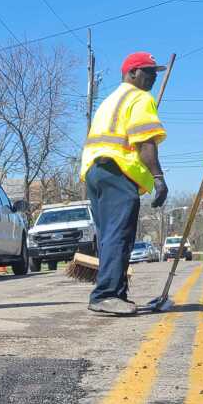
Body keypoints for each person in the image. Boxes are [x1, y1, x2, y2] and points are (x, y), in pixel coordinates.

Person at [80, 51, 169, 316]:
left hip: (96, 172)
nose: (153, 77)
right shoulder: (140, 98)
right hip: (118, 172)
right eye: (148, 71)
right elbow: (145, 142)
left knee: (109, 236)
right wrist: (158, 178)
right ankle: (105, 294)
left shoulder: (110, 100)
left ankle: (115, 293)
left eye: (155, 72)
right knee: (119, 234)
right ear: (131, 73)